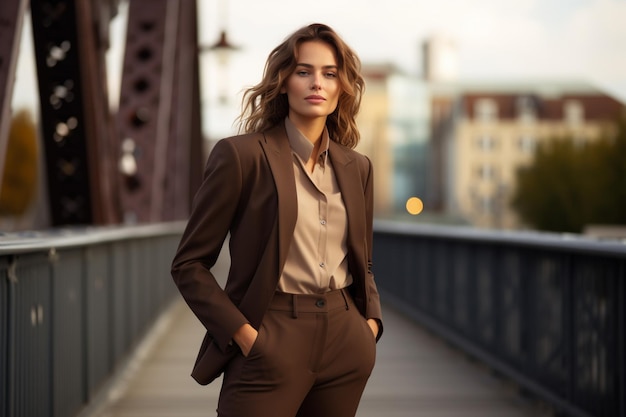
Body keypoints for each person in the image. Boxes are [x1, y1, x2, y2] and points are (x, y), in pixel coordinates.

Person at [171, 23, 383, 417]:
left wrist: (369, 326)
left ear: (342, 87)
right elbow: (189, 265)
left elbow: (363, 260)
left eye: (329, 73)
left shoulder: (358, 167)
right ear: (283, 81)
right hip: (271, 335)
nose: (316, 82)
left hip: (345, 341)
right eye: (304, 71)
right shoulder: (241, 157)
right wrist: (244, 336)